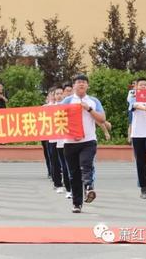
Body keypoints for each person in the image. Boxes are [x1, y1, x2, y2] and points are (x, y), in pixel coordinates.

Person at [62, 74, 106, 213]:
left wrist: (89, 109)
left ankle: (88, 187)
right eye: (78, 82)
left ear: (87, 85)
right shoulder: (67, 101)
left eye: (84, 82)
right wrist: (70, 133)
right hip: (70, 142)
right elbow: (58, 120)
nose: (81, 84)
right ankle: (77, 204)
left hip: (88, 141)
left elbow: (102, 118)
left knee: (86, 164)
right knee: (73, 174)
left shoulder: (93, 101)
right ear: (73, 86)